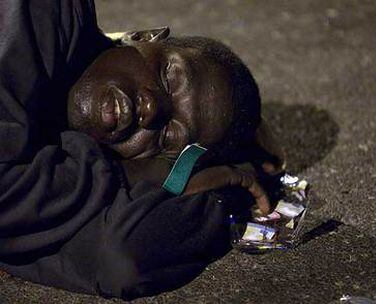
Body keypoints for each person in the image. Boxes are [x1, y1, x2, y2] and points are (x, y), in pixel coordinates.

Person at [0, 0, 281, 300]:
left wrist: (227, 191)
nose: (151, 108)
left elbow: (122, 257)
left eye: (168, 136)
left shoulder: (55, 174)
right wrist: (125, 174)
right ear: (143, 36)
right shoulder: (45, 9)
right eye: (169, 77)